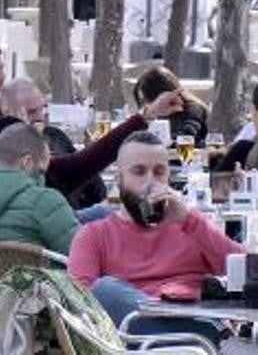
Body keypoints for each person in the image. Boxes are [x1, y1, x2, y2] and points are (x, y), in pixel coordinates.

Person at [69, 131, 243, 344]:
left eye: (159, 172)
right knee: (104, 291)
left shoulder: (190, 226)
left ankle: (203, 340)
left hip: (189, 318)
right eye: (139, 172)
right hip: (135, 340)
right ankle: (206, 341)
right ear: (119, 179)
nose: (150, 181)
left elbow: (243, 271)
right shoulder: (94, 235)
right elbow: (79, 306)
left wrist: (190, 221)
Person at [0, 79, 184, 213]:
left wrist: (148, 115)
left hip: (73, 218)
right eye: (31, 112)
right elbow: (88, 160)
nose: (40, 116)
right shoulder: (1, 152)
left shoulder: (54, 136)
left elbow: (90, 165)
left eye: (42, 108)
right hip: (57, 240)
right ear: (7, 113)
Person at [0, 122, 79, 255]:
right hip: (37, 275)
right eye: (41, 172)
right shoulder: (45, 200)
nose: (42, 179)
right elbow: (81, 254)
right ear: (26, 162)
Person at [133, 65, 209, 141]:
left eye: (147, 99)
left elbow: (187, 135)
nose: (146, 105)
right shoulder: (152, 114)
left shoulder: (193, 109)